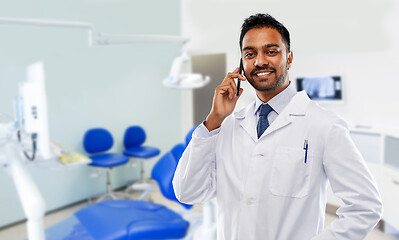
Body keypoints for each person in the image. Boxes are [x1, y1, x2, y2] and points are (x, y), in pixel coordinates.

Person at [172, 13, 382, 240]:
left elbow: (365, 207)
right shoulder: (228, 126)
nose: (260, 61)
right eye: (249, 54)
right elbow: (187, 192)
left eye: (271, 51)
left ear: (289, 58)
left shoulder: (324, 126)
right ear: (241, 65)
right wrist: (214, 119)